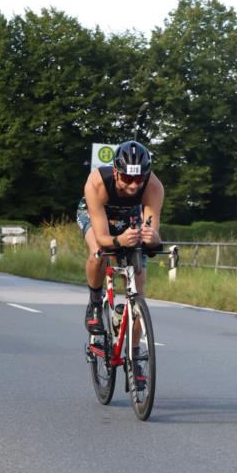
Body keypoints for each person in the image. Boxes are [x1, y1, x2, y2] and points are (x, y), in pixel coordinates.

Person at [77, 140, 164, 345]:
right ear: (116, 172)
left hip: (129, 215)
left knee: (138, 286)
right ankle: (95, 302)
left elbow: (153, 234)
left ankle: (134, 357)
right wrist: (119, 240)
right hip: (97, 215)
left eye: (139, 178)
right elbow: (102, 237)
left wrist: (154, 239)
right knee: (99, 251)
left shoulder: (154, 187)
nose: (133, 185)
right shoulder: (97, 183)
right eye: (127, 177)